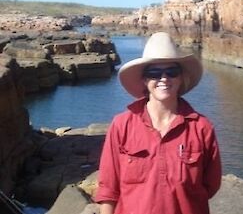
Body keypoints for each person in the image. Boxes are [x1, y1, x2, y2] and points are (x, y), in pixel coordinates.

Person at [94, 32, 222, 214]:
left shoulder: (202, 128)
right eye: (154, 73)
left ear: (181, 78)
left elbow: (210, 185)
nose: (164, 78)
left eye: (172, 72)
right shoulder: (122, 125)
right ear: (145, 80)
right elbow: (108, 189)